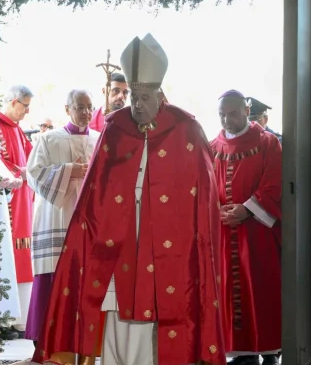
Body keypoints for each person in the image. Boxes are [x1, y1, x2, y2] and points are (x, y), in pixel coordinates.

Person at [32, 33, 225, 365]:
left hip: (170, 250)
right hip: (118, 245)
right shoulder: (115, 127)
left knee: (165, 323)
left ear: (161, 96)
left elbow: (203, 200)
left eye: (144, 96)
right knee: (115, 321)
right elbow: (95, 195)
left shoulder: (187, 130)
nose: (136, 104)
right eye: (133, 96)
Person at [24, 89, 101, 346]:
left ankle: (83, 339)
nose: (86, 113)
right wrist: (69, 171)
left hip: (89, 218)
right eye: (80, 107)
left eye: (89, 107)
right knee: (53, 273)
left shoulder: (100, 139)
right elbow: (33, 174)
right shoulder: (48, 139)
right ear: (67, 109)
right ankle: (46, 339)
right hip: (57, 216)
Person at [211, 90, 283, 365]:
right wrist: (216, 210)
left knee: (260, 291)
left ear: (246, 110)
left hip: (256, 234)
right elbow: (204, 188)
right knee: (227, 294)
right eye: (221, 115)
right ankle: (239, 353)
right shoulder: (211, 146)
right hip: (223, 231)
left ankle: (267, 350)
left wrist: (246, 209)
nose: (226, 120)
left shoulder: (267, 144)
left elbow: (274, 184)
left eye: (231, 113)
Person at [0, 84, 36, 331]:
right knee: (9, 256)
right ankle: (6, 318)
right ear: (13, 102)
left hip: (23, 201)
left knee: (23, 257)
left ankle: (20, 319)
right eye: (25, 106)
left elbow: (32, 157)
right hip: (8, 202)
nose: (27, 112)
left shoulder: (18, 130)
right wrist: (19, 172)